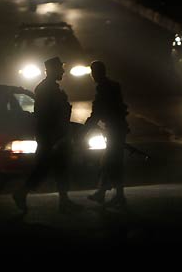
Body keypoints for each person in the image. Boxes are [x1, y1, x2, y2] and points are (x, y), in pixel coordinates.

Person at [12, 56, 83, 214]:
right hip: (50, 137)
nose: (63, 71)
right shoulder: (45, 89)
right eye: (60, 68)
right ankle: (21, 193)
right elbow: (44, 115)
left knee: (60, 168)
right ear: (52, 70)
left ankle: (63, 201)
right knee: (43, 169)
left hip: (56, 135)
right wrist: (53, 137)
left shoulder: (51, 88)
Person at [84, 60, 130, 209]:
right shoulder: (112, 86)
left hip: (114, 128)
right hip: (116, 127)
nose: (92, 75)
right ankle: (103, 193)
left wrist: (85, 129)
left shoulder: (104, 88)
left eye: (93, 72)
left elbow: (97, 111)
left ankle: (119, 196)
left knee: (112, 162)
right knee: (108, 161)